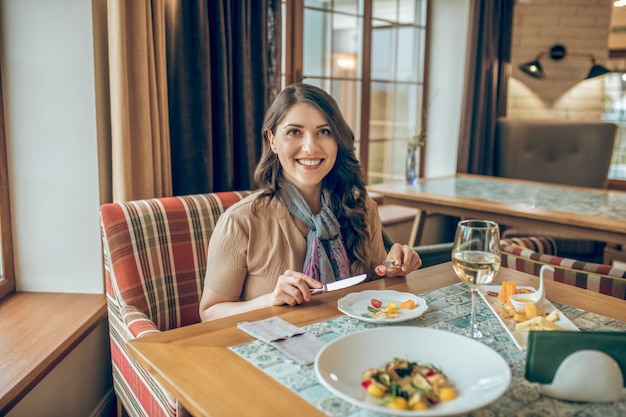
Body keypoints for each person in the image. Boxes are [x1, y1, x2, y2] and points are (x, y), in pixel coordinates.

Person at [199, 83, 422, 321]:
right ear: (272, 140)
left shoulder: (364, 209)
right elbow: (209, 313)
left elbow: (377, 287)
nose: (310, 147)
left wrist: (394, 268)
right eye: (294, 132)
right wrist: (269, 300)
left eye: (324, 131)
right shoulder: (240, 222)